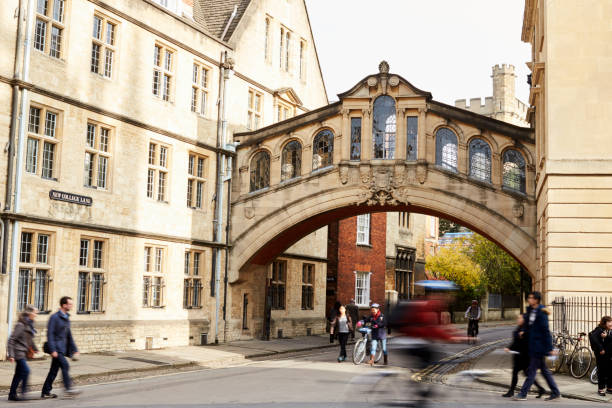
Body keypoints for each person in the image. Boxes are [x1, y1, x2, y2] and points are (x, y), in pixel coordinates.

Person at [513, 291, 560, 401]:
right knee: (544, 371)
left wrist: (550, 348)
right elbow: (528, 325)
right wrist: (523, 331)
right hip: (533, 345)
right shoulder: (530, 310)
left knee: (532, 371)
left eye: (531, 298)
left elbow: (546, 331)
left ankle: (523, 393)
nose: (529, 299)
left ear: (536, 300)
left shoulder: (542, 312)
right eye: (529, 297)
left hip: (539, 347)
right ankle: (555, 392)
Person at [41, 296, 81, 399]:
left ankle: (46, 391)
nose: (71, 306)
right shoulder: (54, 317)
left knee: (53, 371)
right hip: (56, 349)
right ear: (64, 305)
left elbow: (69, 336)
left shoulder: (67, 317)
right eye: (70, 304)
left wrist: (75, 349)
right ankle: (68, 389)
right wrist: (53, 349)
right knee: (65, 366)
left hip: (62, 349)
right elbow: (50, 334)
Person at [502, 314, 545, 398]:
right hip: (519, 356)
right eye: (518, 318)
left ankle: (511, 391)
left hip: (525, 356)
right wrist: (509, 348)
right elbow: (515, 342)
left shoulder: (526, 329)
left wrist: (523, 335)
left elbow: (527, 342)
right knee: (526, 374)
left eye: (519, 318)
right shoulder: (519, 329)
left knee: (521, 373)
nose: (518, 319)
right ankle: (540, 389)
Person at [7, 305, 39, 401]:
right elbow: (11, 340)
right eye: (35, 313)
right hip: (18, 352)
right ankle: (24, 391)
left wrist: (35, 348)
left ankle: (12, 394)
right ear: (29, 313)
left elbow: (29, 339)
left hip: (23, 352)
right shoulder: (21, 325)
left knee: (18, 374)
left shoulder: (29, 324)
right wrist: (11, 355)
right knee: (26, 371)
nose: (36, 315)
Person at [589, 316, 612, 396]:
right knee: (602, 371)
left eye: (611, 321)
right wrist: (601, 348)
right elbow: (593, 338)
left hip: (609, 355)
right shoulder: (599, 329)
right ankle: (601, 389)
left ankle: (609, 388)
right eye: (609, 322)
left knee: (610, 371)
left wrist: (607, 336)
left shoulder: (609, 331)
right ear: (604, 323)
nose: (611, 323)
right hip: (601, 355)